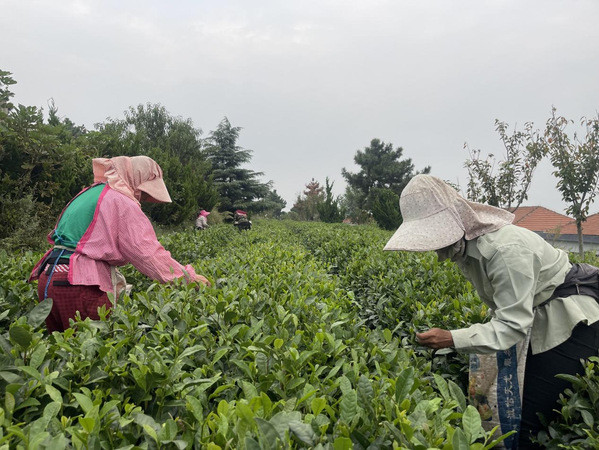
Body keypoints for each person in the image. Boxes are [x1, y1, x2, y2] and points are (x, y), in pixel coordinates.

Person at [384, 174, 599, 449]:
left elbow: (512, 325)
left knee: (527, 424)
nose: (435, 251)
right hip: (535, 314)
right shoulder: (465, 250)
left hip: (572, 319)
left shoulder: (504, 250)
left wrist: (452, 338)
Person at [29, 156, 210, 332]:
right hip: (79, 284)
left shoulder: (86, 193)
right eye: (142, 191)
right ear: (135, 180)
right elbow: (147, 253)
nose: (140, 197)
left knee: (62, 352)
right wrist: (188, 279)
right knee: (90, 354)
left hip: (49, 279)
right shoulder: (120, 200)